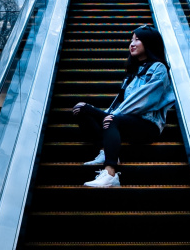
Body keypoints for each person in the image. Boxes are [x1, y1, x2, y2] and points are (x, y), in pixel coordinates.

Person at [71, 25, 176, 188]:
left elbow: (144, 100)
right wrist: (100, 113)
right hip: (124, 120)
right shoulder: (132, 74)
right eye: (131, 40)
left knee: (110, 119)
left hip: (148, 124)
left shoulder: (158, 68)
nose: (132, 44)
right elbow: (118, 105)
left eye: (137, 39)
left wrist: (110, 116)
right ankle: (106, 150)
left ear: (149, 43)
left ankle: (111, 175)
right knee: (81, 110)